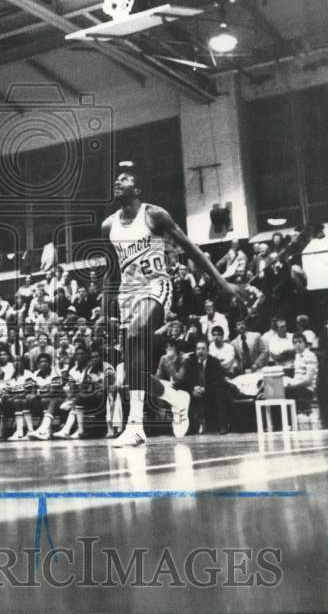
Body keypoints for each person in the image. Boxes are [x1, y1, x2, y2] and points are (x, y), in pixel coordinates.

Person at [101, 171, 244, 447]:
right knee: (133, 373)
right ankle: (175, 397)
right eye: (116, 179)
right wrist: (105, 307)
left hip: (157, 286)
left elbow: (192, 249)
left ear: (138, 188)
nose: (117, 181)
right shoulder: (108, 226)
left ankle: (135, 427)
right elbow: (110, 270)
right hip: (126, 295)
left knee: (133, 337)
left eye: (125, 178)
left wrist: (221, 281)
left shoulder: (154, 214)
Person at [177, 339, 233, 435]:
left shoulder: (214, 362)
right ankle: (190, 427)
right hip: (195, 392)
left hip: (210, 391)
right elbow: (186, 380)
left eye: (203, 349)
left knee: (220, 392)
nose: (200, 351)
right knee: (183, 393)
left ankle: (222, 425)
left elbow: (219, 381)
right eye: (198, 349)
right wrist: (193, 389)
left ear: (208, 350)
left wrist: (205, 389)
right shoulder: (191, 362)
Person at [284, 334, 318, 414]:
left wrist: (292, 385)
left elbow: (308, 380)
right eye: (295, 342)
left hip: (308, 390)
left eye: (300, 342)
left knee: (285, 392)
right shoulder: (297, 356)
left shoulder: (310, 355)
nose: (298, 344)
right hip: (299, 388)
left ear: (305, 343)